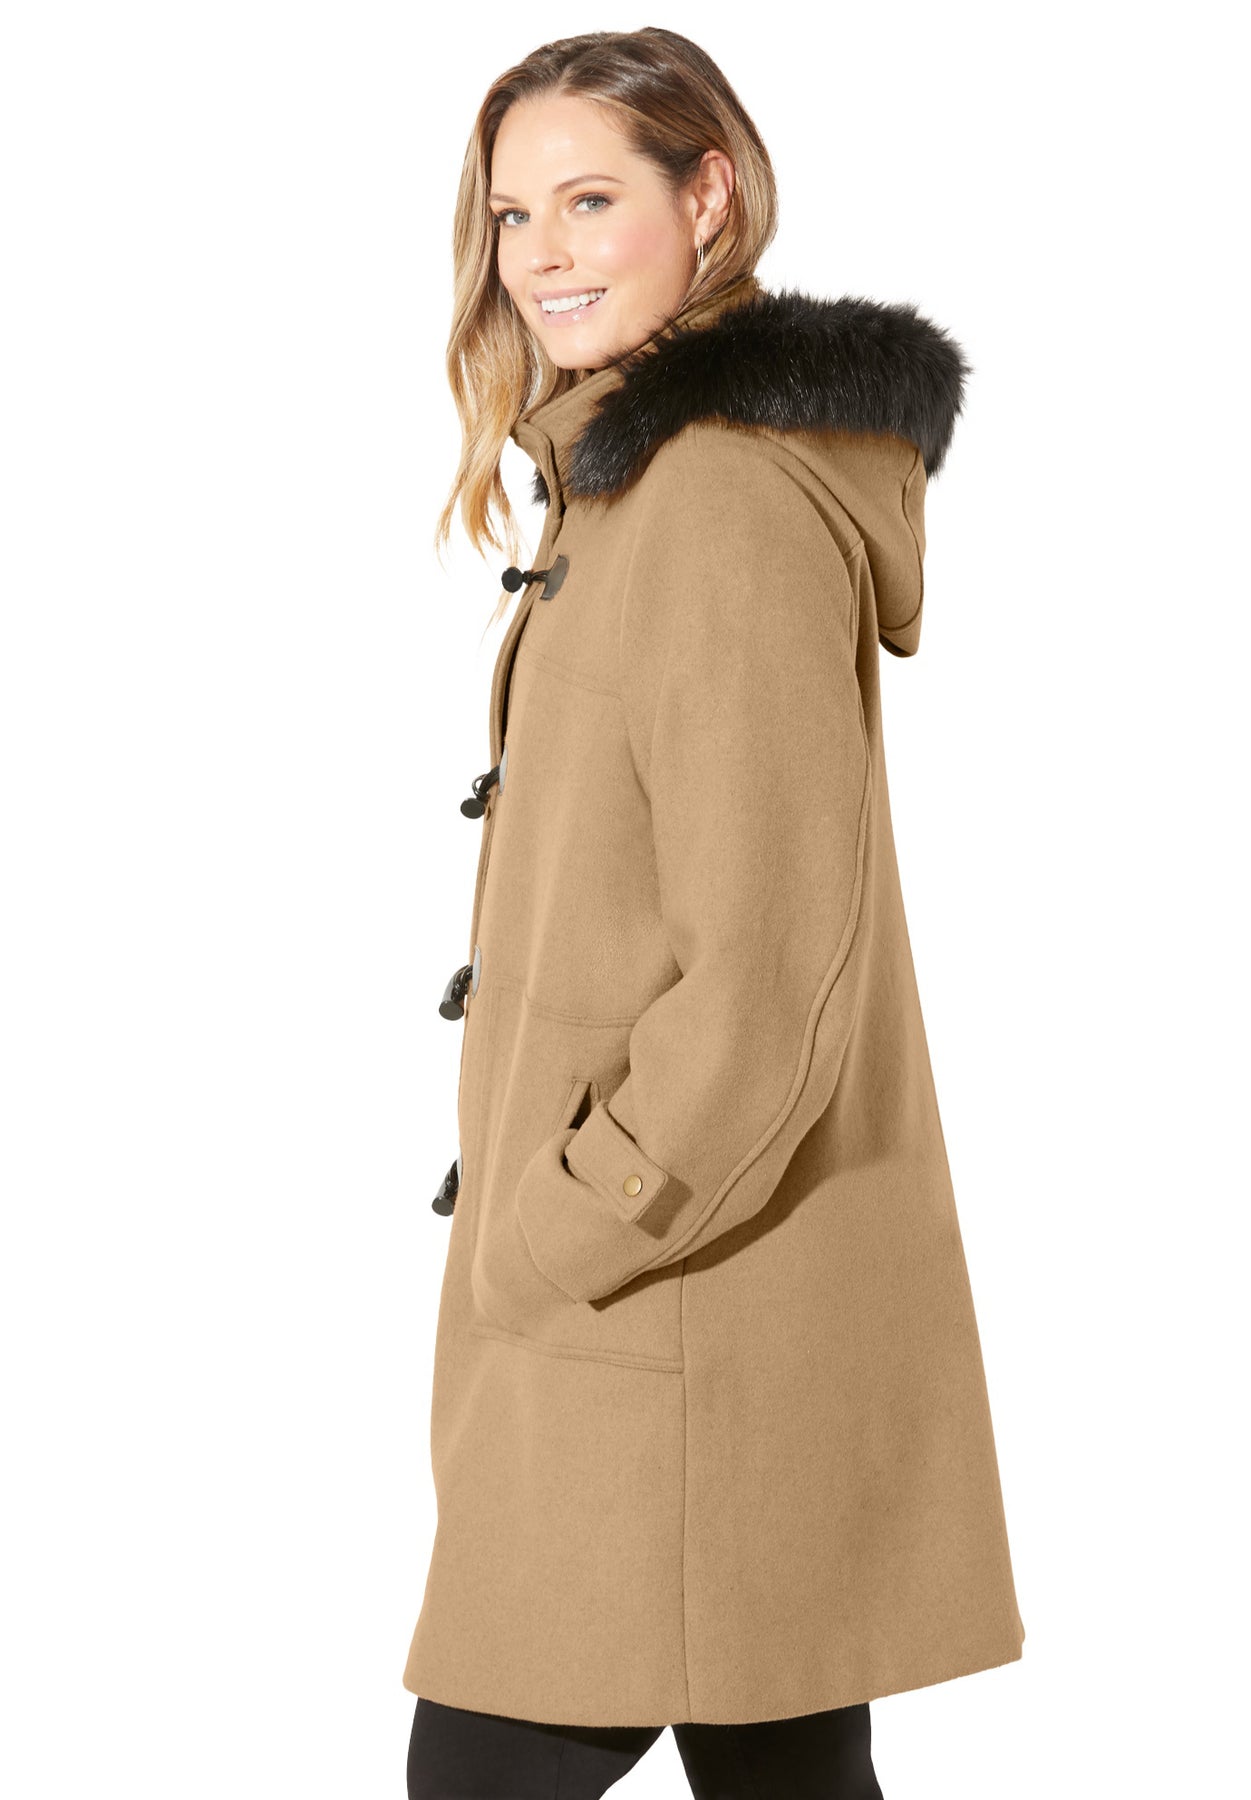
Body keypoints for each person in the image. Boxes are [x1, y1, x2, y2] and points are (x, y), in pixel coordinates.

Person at [406, 26, 1024, 1798]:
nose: (541, 255)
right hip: (707, 1326)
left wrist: (558, 1230)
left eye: (591, 200)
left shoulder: (721, 505)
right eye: (513, 213)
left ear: (711, 198)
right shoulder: (632, 490)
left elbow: (764, 988)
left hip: (659, 1313)